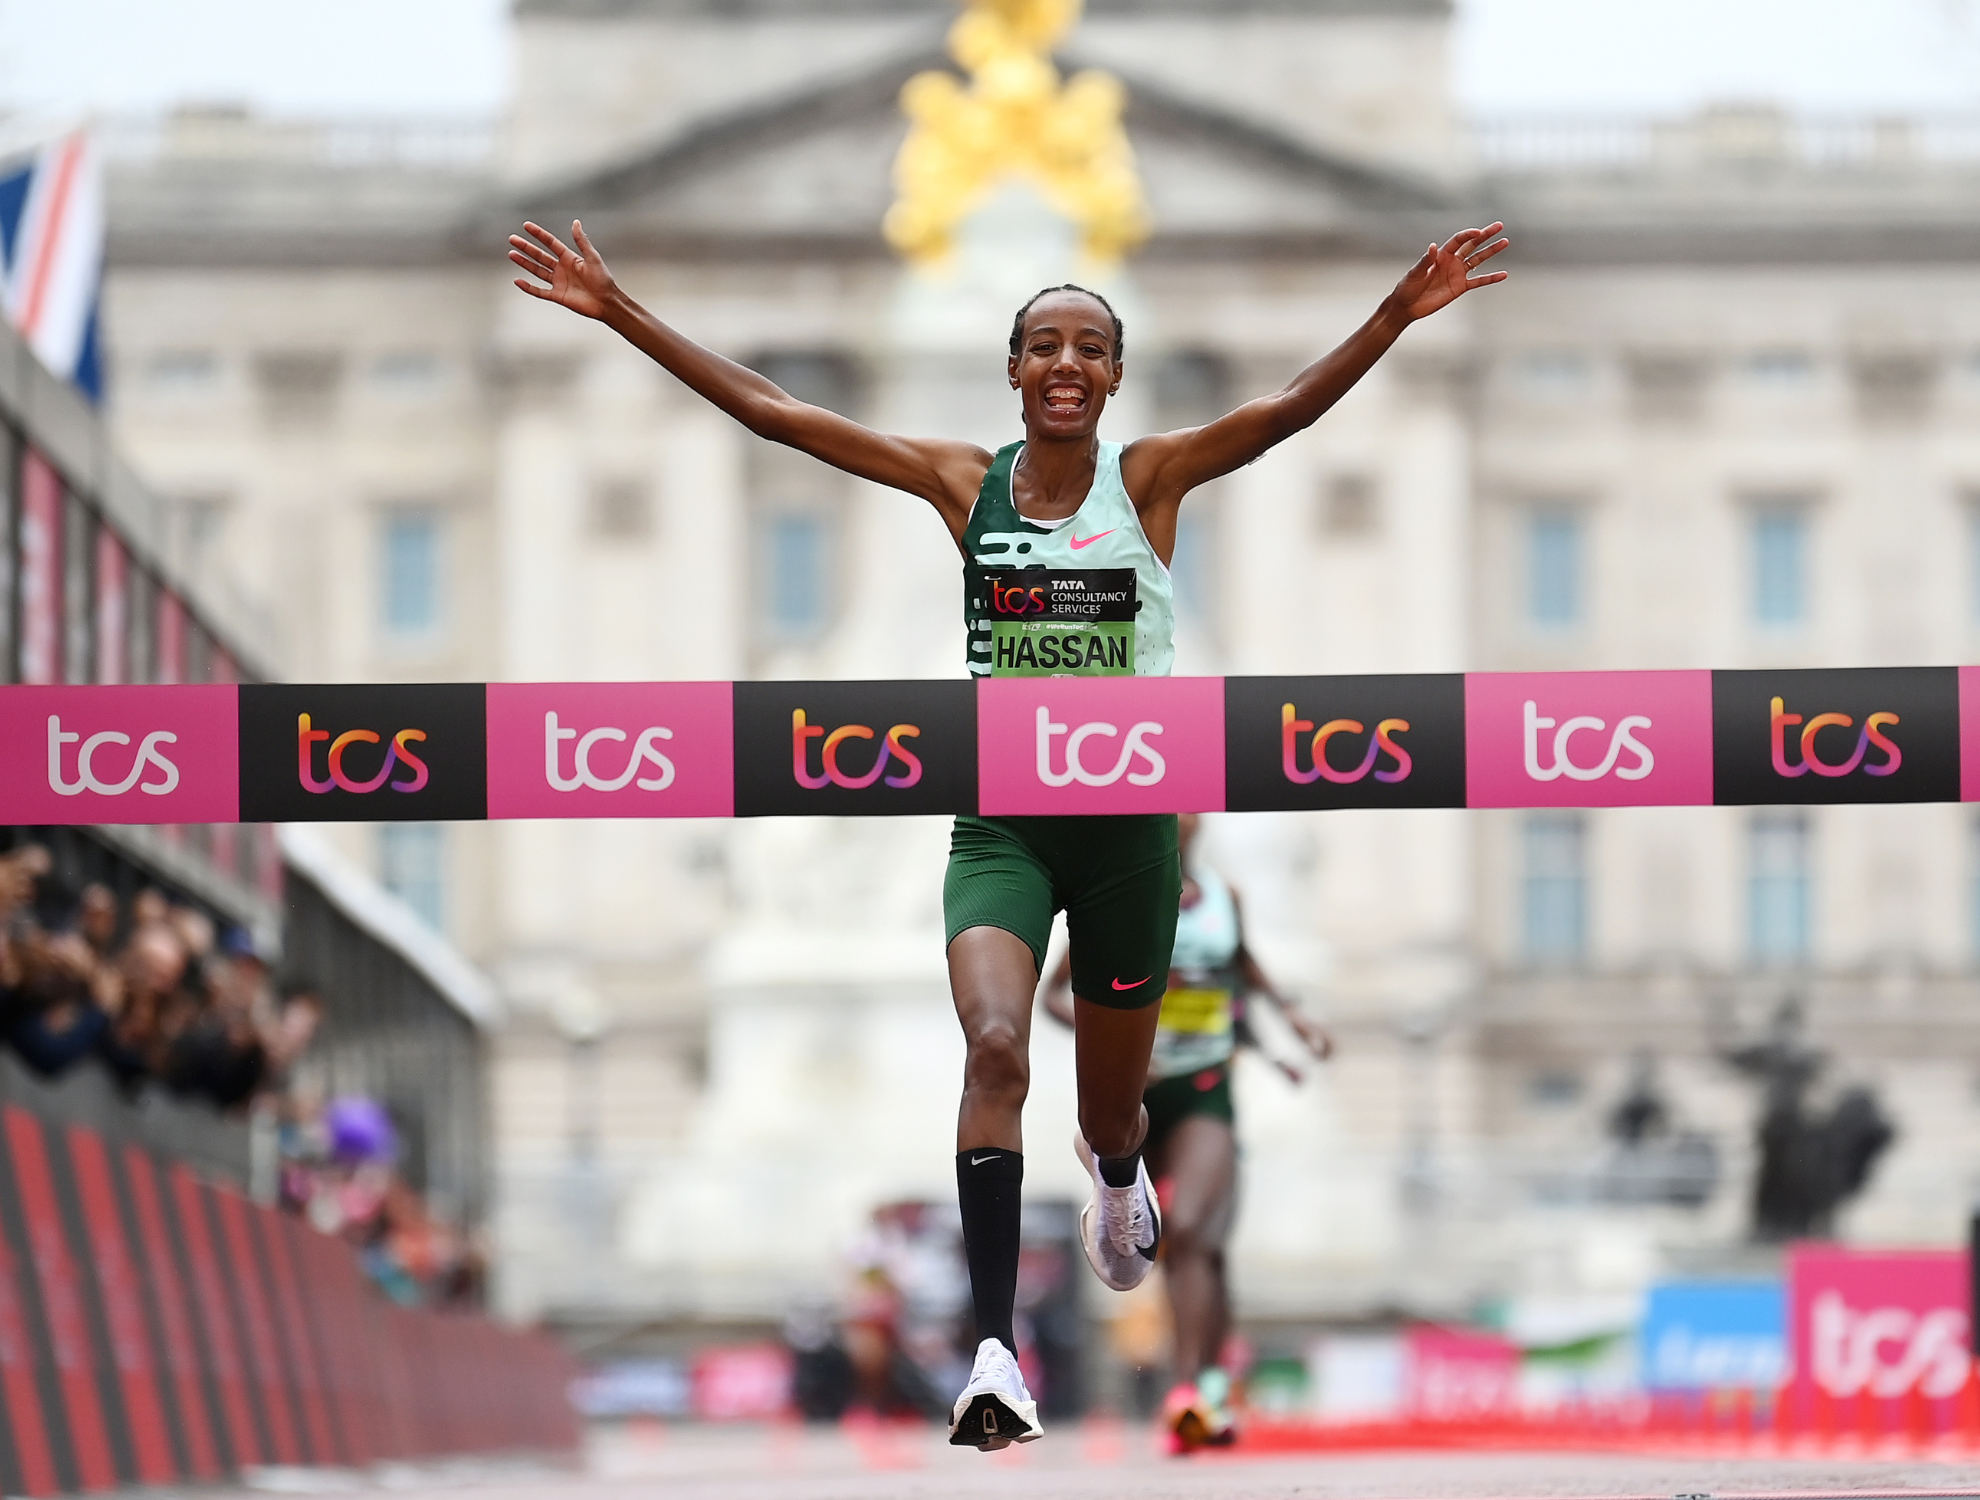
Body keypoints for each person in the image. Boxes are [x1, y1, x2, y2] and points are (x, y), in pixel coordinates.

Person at [507, 211, 1507, 1449]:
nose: (1069, 364)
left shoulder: (1153, 481)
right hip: (1002, 829)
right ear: (1017, 371)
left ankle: (1115, 1172)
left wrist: (1395, 318)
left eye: (1092, 346)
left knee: (1109, 1118)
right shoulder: (958, 483)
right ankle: (996, 1350)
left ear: (1116, 375)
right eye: (1046, 345)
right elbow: (777, 415)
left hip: (1132, 837)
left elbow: (1292, 408)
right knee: (991, 1047)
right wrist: (621, 312)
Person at [1037, 814, 1332, 1452]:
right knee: (1185, 1240)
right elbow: (1054, 994)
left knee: (1197, 1228)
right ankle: (1202, 1386)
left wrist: (1291, 1023)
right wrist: (1109, 1036)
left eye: (1192, 811)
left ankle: (1195, 1390)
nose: (1185, 820)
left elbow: (1244, 971)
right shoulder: (1116, 888)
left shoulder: (1226, 898)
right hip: (1135, 1092)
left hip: (1204, 1087)